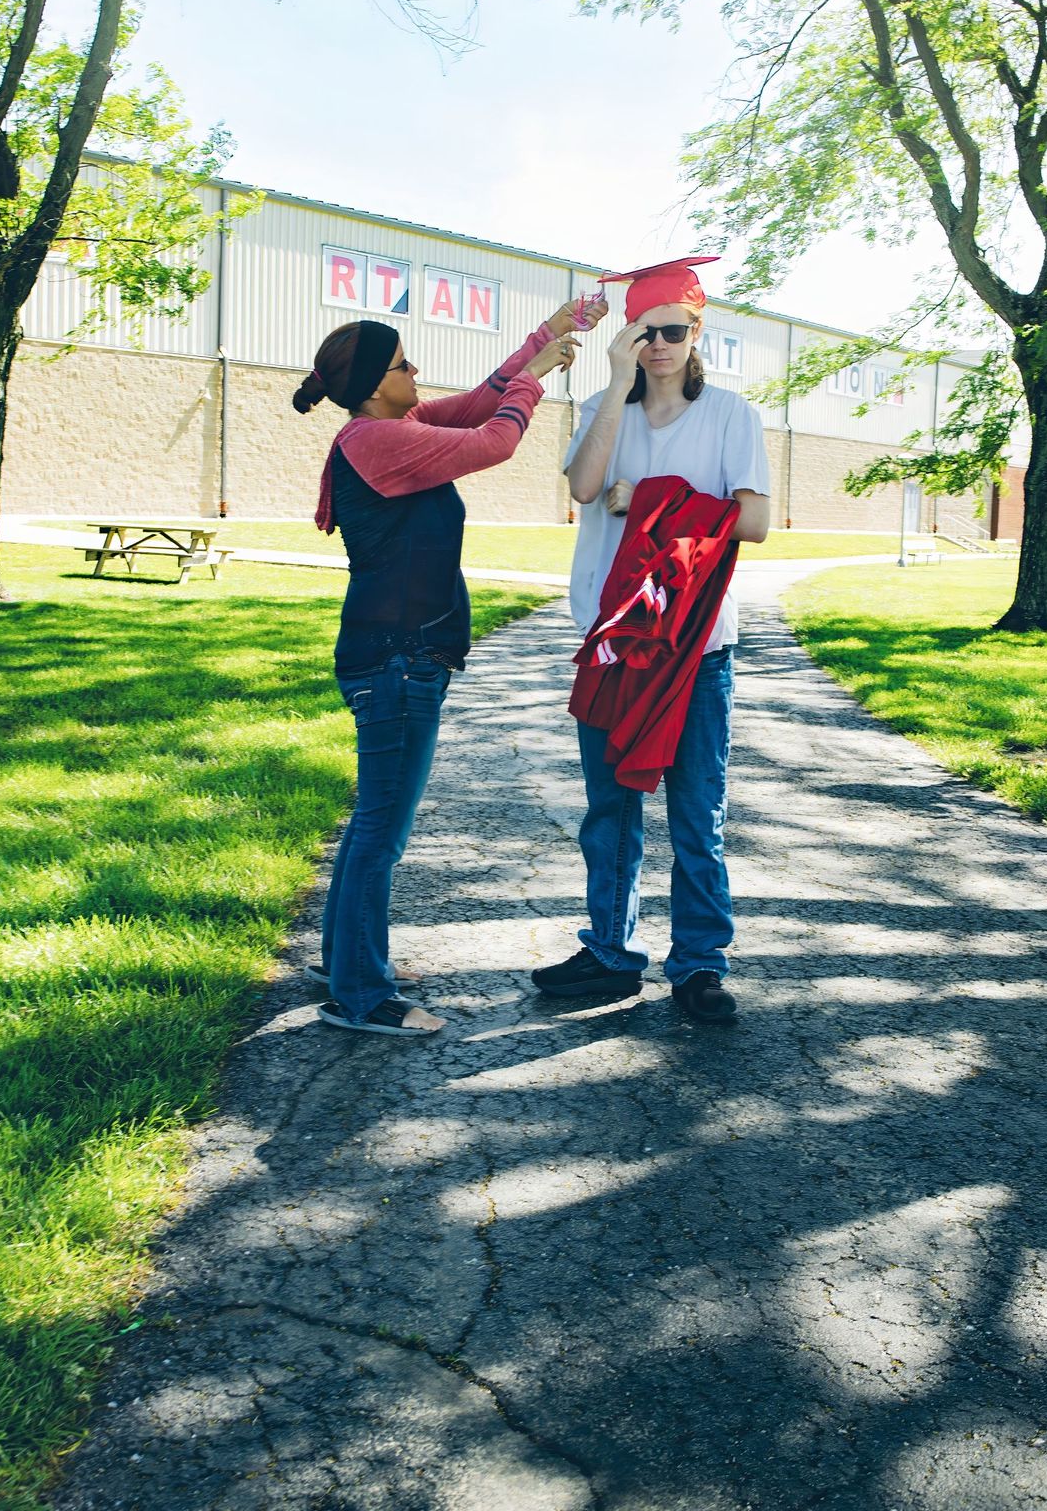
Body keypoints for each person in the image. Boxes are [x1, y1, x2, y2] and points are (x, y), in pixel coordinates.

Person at [294, 300, 602, 1035]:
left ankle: (347, 964)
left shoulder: (388, 428)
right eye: (404, 363)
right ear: (375, 384)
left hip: (396, 654)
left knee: (374, 825)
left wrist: (543, 341)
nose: (417, 371)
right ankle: (361, 996)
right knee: (381, 830)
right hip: (398, 659)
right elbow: (494, 439)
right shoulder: (377, 440)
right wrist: (535, 384)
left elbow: (472, 405)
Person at [532, 257, 770, 1024]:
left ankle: (700, 963)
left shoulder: (732, 415)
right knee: (611, 811)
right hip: (613, 638)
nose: (658, 345)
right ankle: (610, 950)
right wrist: (613, 380)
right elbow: (581, 487)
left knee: (697, 813)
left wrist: (655, 504)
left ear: (697, 332)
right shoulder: (608, 405)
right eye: (643, 333)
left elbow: (756, 522)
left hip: (697, 647)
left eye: (671, 331)